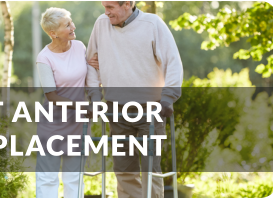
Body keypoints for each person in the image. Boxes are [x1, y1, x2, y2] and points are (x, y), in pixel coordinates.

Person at [85, 1, 183, 198]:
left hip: (151, 109)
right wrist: (95, 98)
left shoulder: (152, 24)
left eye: (110, 7)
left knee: (150, 167)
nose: (106, 12)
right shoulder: (101, 24)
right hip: (116, 109)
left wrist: (168, 98)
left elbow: (173, 62)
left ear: (128, 4)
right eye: (104, 7)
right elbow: (90, 63)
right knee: (123, 168)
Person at [35, 7, 92, 198]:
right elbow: (52, 96)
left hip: (77, 123)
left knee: (74, 178)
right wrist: (82, 106)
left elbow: (89, 76)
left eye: (71, 22)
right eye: (67, 25)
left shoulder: (80, 47)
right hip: (53, 126)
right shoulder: (44, 58)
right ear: (53, 33)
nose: (73, 27)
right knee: (48, 178)